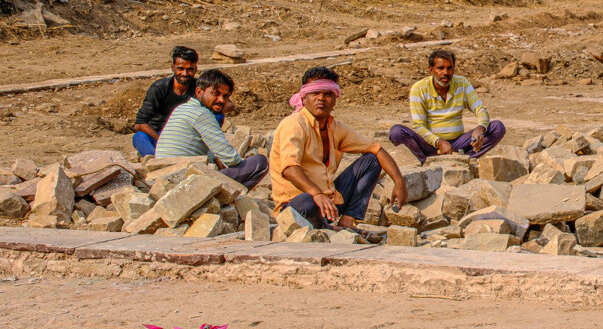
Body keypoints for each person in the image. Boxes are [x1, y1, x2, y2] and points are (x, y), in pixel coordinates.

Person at [271, 66, 408, 231]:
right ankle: (327, 229)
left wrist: (399, 181)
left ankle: (347, 222)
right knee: (307, 201)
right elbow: (289, 169)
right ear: (304, 97)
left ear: (335, 99)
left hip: (328, 204)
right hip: (298, 207)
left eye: (327, 94)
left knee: (371, 160)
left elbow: (376, 149)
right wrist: (317, 194)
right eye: (315, 93)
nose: (321, 98)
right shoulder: (294, 124)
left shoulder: (335, 127)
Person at [154, 69, 268, 189]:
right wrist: (238, 166)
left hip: (164, 179)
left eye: (225, 96)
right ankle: (232, 199)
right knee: (260, 163)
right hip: (185, 183)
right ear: (199, 91)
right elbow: (231, 158)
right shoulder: (202, 114)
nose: (221, 100)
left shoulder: (182, 108)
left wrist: (216, 162)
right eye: (216, 94)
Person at [389, 49, 506, 164]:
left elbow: (480, 109)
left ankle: (464, 160)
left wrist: (480, 128)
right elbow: (419, 126)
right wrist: (439, 142)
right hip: (429, 145)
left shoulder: (462, 83)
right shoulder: (419, 88)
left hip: (457, 143)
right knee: (396, 132)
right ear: (431, 70)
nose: (445, 72)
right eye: (440, 68)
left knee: (497, 127)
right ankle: (424, 162)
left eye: (449, 68)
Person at [132, 46, 204, 156]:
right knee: (139, 137)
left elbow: (226, 105)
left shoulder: (200, 88)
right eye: (180, 68)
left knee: (217, 116)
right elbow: (139, 124)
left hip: (187, 136)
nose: (184, 73)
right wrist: (163, 142)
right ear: (173, 67)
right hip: (159, 135)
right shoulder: (159, 88)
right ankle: (158, 162)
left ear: (196, 69)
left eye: (189, 69)